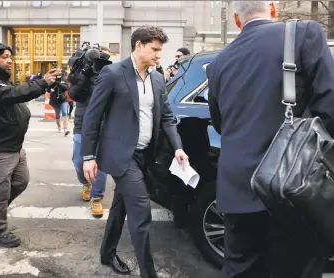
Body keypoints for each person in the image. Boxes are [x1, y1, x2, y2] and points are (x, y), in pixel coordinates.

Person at [206, 2, 334, 277]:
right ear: (274, 9)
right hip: (292, 189)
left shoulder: (218, 63)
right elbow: (330, 109)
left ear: (237, 21)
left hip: (237, 191)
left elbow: (220, 123)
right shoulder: (305, 34)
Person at [81, 26, 189, 277]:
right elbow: (92, 117)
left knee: (120, 206)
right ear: (138, 46)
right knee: (141, 213)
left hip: (145, 156)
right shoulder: (113, 73)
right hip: (121, 155)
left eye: (160, 51)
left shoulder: (157, 78)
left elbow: (167, 118)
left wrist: (178, 148)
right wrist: (88, 156)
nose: (158, 55)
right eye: (154, 49)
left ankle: (107, 253)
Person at [0, 43, 60, 248]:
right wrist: (42, 83)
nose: (9, 60)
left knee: (20, 182)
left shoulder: (4, 83)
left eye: (10, 57)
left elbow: (16, 94)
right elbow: (13, 96)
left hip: (13, 147)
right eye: (4, 57)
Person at [68, 46, 111, 217]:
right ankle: (85, 182)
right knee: (79, 160)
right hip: (82, 124)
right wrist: (86, 71)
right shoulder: (80, 72)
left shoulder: (107, 72)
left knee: (100, 164)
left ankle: (97, 197)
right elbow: (74, 94)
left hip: (102, 124)